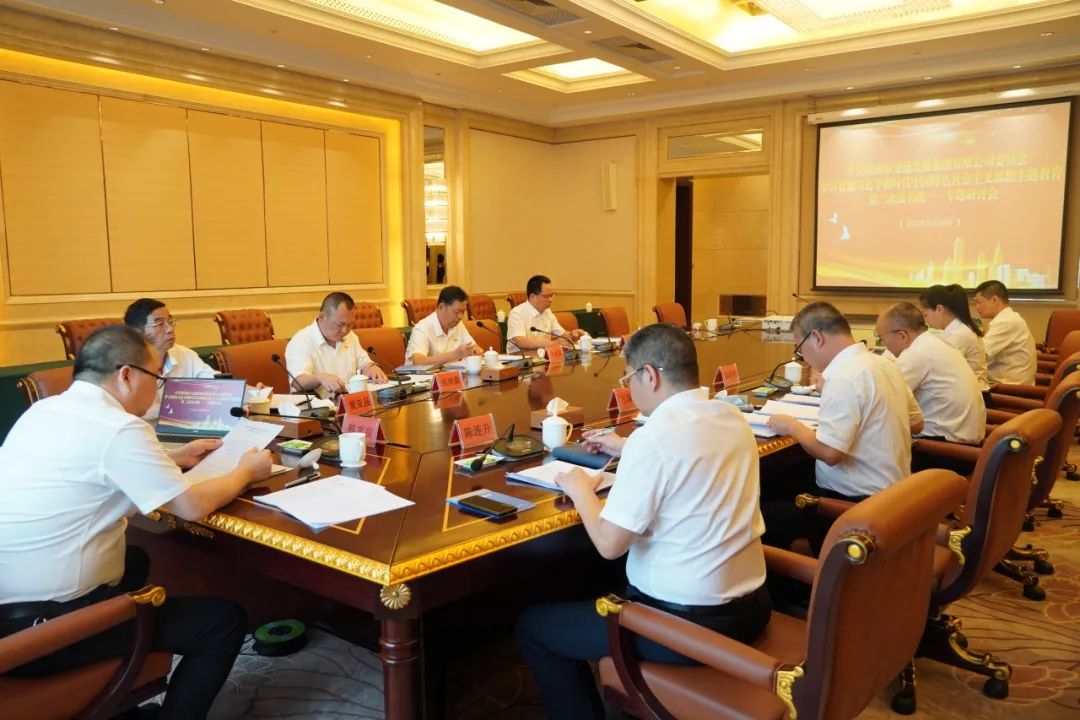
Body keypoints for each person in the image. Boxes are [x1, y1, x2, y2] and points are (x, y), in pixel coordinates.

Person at [0, 325, 273, 719]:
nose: (159, 388)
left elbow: (93, 466)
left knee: (136, 560)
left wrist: (175, 457)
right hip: (42, 635)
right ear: (126, 375)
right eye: (157, 377)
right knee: (222, 622)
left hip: (9, 610)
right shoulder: (120, 428)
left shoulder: (43, 411)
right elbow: (192, 506)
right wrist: (246, 471)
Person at [515, 324, 770, 720]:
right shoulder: (731, 416)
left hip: (685, 629)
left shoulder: (654, 439)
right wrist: (627, 447)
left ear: (650, 375)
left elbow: (609, 544)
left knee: (534, 627)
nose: (629, 387)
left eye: (628, 377)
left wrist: (580, 489)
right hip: (753, 608)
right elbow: (687, 453)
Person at [768, 302, 923, 502]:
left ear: (817, 338)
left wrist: (792, 426)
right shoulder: (885, 364)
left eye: (799, 348)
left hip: (858, 501)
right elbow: (917, 424)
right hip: (897, 491)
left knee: (772, 492)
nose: (803, 357)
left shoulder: (843, 377)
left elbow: (830, 453)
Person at [876, 302, 986, 444]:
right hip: (960, 438)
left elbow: (882, 399)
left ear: (902, 335)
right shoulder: (936, 341)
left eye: (881, 338)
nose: (883, 344)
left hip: (941, 447)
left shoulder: (917, 353)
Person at [125, 298, 216, 420]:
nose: (170, 329)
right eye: (160, 324)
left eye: (170, 321)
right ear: (137, 332)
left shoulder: (184, 354)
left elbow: (215, 384)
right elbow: (129, 411)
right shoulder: (125, 366)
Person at [285, 291, 388, 395]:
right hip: (316, 403)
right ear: (322, 316)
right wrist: (320, 378)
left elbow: (365, 364)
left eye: (350, 325)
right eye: (340, 324)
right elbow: (297, 382)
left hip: (348, 400)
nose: (345, 330)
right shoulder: (301, 341)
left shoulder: (350, 336)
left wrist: (372, 368)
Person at [918, 284, 989, 390]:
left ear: (939, 309)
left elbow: (937, 367)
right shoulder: (956, 329)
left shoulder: (960, 333)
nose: (926, 321)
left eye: (925, 315)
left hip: (974, 392)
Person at [973, 280, 1037, 385]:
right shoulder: (1008, 317)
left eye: (979, 302)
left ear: (994, 300)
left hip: (1009, 388)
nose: (977, 307)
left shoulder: (1005, 322)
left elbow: (980, 355)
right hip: (1007, 383)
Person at [505, 274, 585, 353]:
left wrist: (571, 334)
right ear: (532, 296)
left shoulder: (547, 312)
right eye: (546, 296)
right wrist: (554, 344)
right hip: (520, 359)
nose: (550, 299)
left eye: (551, 295)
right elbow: (521, 342)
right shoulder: (517, 313)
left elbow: (561, 333)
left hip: (542, 357)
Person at [404, 285, 482, 365]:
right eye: (457, 312)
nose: (460, 317)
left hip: (452, 372)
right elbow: (418, 362)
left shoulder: (458, 324)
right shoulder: (422, 328)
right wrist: (455, 355)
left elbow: (474, 348)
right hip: (422, 374)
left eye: (463, 312)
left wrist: (476, 352)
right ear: (441, 307)